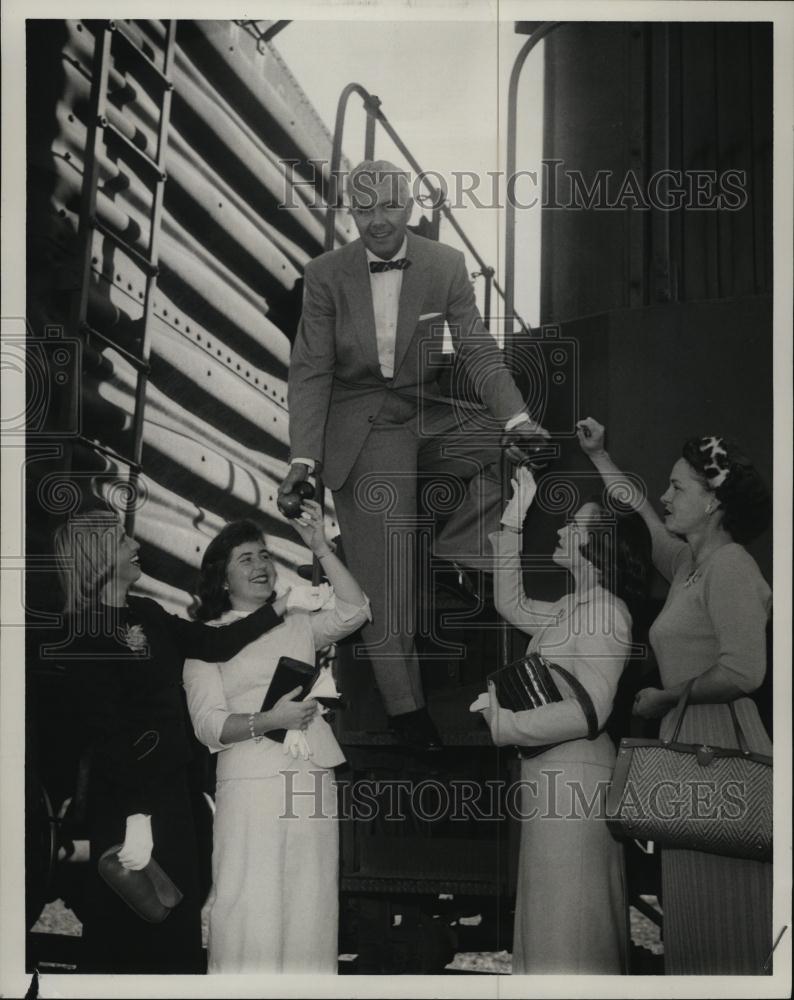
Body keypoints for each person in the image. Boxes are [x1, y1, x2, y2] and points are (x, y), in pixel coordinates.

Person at [282, 158, 549, 747]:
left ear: (409, 206)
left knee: (512, 440)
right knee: (386, 583)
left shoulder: (444, 264)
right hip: (363, 426)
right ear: (351, 213)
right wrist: (304, 460)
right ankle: (408, 713)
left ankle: (456, 542)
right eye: (364, 209)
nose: (378, 221)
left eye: (390, 207)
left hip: (422, 414)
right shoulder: (325, 275)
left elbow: (476, 348)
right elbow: (311, 373)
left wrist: (519, 419)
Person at [51, 502, 317, 974]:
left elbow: (212, 643)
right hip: (130, 803)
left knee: (174, 914)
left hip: (174, 794)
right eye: (122, 539)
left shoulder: (147, 612)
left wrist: (278, 609)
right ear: (97, 557)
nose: (135, 545)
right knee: (127, 924)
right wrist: (135, 817)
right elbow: (106, 735)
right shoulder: (84, 633)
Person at [577, 417, 773, 974]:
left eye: (679, 487)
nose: (665, 496)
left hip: (718, 748)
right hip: (689, 749)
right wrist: (599, 456)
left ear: (713, 502)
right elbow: (639, 509)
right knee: (690, 912)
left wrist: (666, 698)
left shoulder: (731, 566)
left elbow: (744, 671)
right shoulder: (689, 562)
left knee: (725, 913)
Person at [182, 503, 370, 973]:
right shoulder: (204, 640)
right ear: (222, 579)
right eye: (245, 558)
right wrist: (270, 719)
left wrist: (321, 547)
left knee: (312, 908)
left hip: (309, 780)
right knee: (250, 908)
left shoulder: (298, 623)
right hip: (250, 784)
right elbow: (207, 725)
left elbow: (355, 610)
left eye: (264, 555)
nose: (261, 565)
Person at [478, 466, 651, 974]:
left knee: (569, 935)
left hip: (574, 783)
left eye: (573, 525)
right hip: (555, 781)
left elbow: (590, 711)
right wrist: (514, 515)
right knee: (554, 927)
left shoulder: (605, 612)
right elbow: (509, 602)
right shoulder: (575, 606)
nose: (559, 530)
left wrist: (506, 725)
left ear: (598, 545)